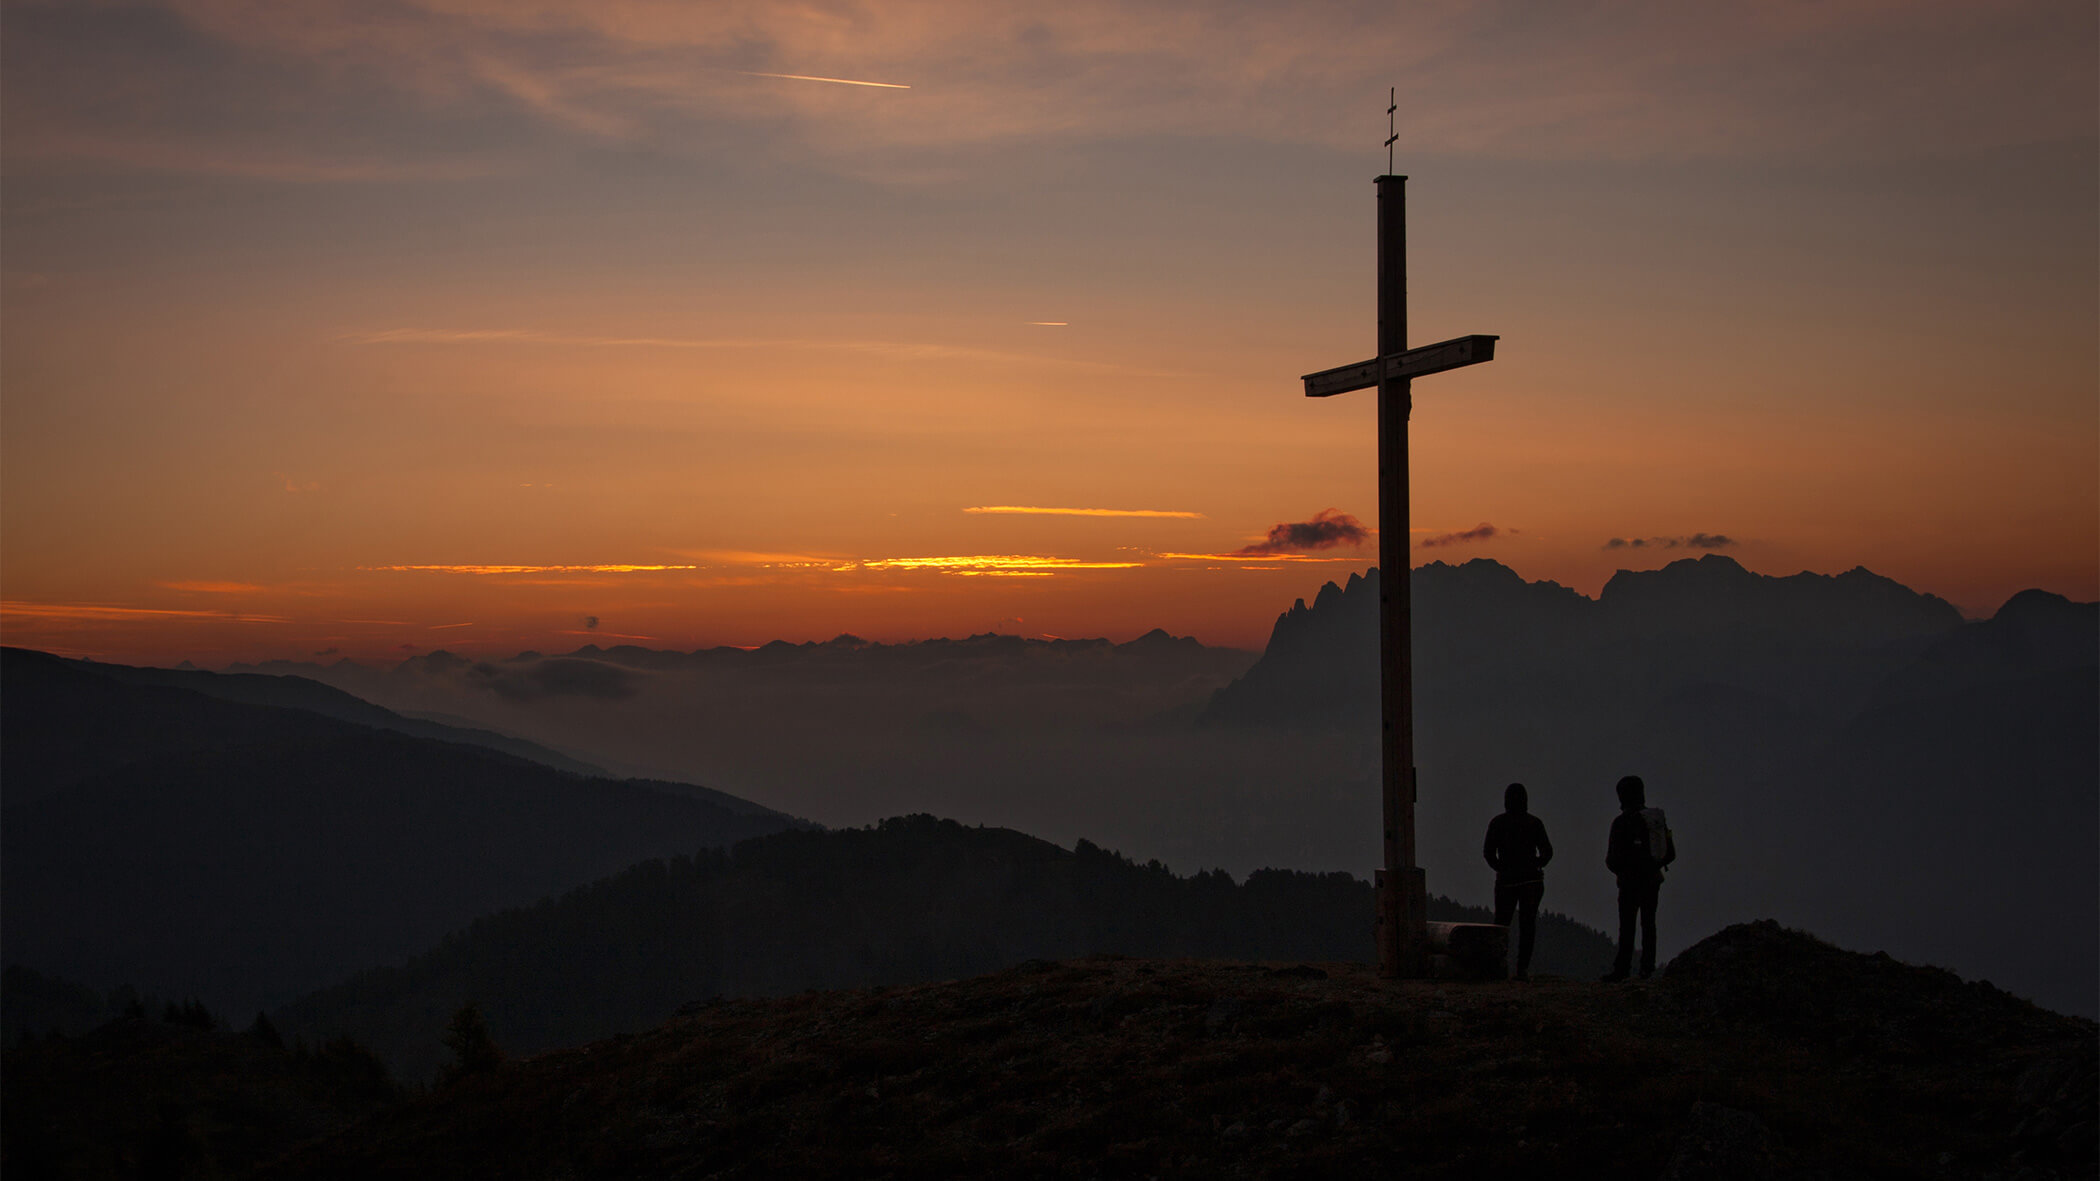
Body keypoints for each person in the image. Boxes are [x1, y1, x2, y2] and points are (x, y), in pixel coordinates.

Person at [1603, 774, 1675, 981]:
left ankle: (1622, 969)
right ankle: (1647, 968)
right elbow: (1669, 853)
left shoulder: (1620, 822)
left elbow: (1611, 859)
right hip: (1652, 880)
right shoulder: (1655, 821)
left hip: (1628, 883)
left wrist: (1623, 871)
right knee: (1649, 923)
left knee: (1627, 926)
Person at [1482, 782, 1553, 980]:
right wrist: (1537, 865)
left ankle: (1497, 967)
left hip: (1507, 882)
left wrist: (1501, 868)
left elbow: (1488, 853)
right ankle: (1521, 970)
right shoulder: (1534, 823)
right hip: (1531, 881)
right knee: (1527, 925)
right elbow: (1548, 851)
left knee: (1501, 925)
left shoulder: (1498, 823)